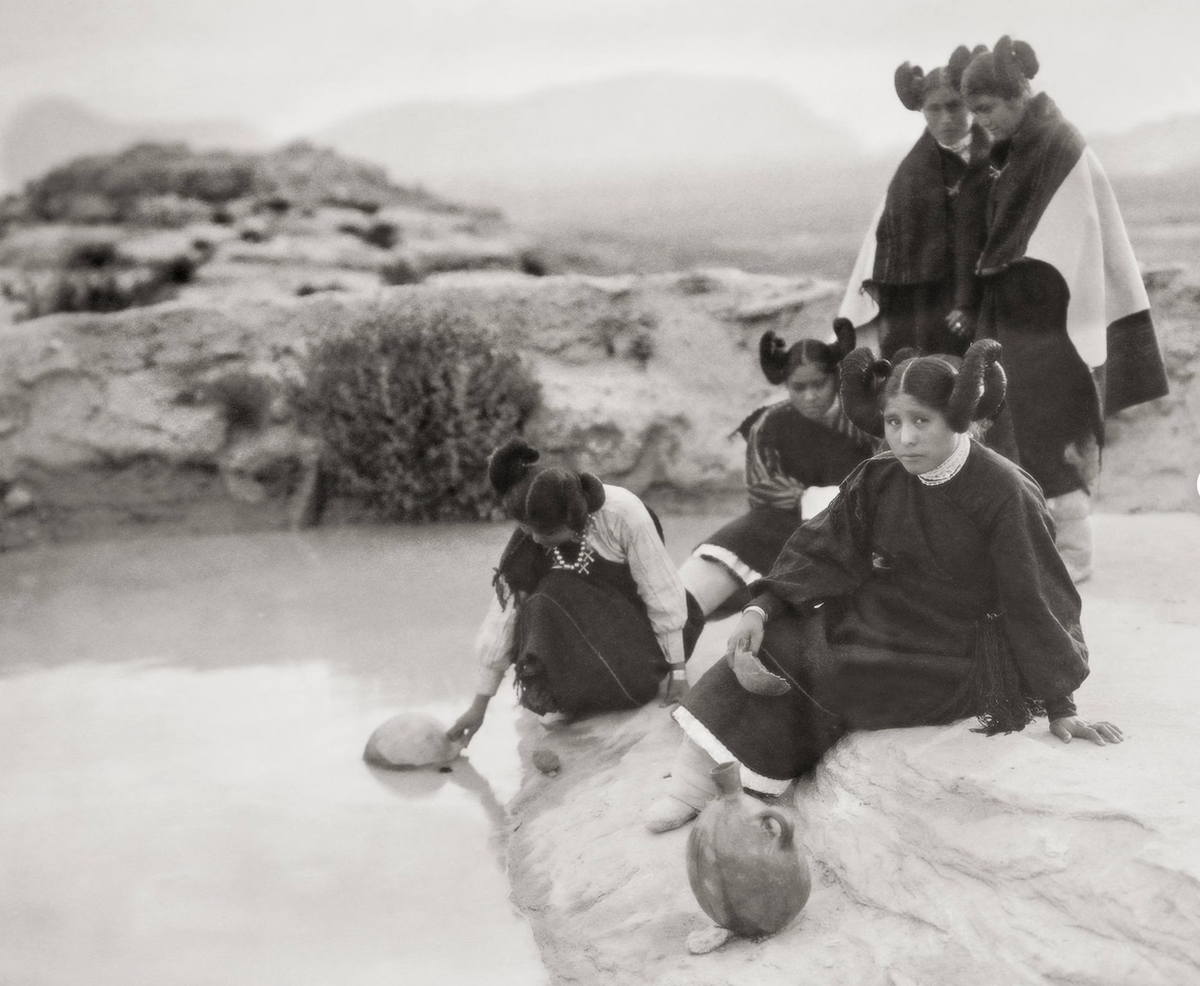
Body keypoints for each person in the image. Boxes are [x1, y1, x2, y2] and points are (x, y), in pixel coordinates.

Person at [645, 341, 1122, 836]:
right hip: (888, 616)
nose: (905, 438)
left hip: (958, 647)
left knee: (831, 666)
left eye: (921, 421)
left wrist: (1060, 702)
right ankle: (689, 785)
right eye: (893, 422)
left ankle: (742, 793)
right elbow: (823, 548)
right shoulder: (879, 476)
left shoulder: (1005, 490)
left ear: (958, 418)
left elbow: (1037, 596)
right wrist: (761, 609)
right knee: (780, 637)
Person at [960, 36, 1169, 582]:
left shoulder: (1058, 145)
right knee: (1019, 431)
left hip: (1054, 323)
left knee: (1049, 433)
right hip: (1024, 319)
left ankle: (1075, 554)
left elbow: (1069, 238)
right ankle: (1043, 548)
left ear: (1018, 95)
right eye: (974, 112)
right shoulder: (1022, 149)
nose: (981, 122)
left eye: (986, 109)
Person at [448, 438, 703, 744]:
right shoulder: (531, 530)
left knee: (554, 588)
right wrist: (479, 707)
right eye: (528, 530)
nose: (536, 540)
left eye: (548, 533)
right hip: (587, 638)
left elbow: (660, 589)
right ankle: (567, 695)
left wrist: (678, 673)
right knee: (536, 601)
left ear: (576, 517)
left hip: (635, 639)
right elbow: (504, 614)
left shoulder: (623, 514)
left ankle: (617, 685)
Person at [679, 318, 875, 624]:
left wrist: (836, 504)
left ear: (836, 379)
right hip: (777, 523)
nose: (809, 396)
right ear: (786, 386)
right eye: (798, 387)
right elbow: (763, 487)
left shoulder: (864, 421)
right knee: (692, 587)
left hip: (849, 530)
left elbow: (883, 474)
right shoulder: (770, 422)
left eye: (818, 385)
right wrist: (812, 499)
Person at [840, 45, 992, 360]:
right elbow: (894, 250)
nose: (946, 118)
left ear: (970, 105)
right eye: (934, 109)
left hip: (990, 291)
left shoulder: (997, 158)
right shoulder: (910, 175)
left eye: (954, 106)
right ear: (922, 112)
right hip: (928, 301)